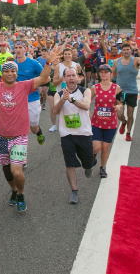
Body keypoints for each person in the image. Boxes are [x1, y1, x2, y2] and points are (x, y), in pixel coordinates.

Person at [0, 48, 58, 212]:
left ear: (16, 73)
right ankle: (13, 190)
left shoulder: (24, 86)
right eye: (7, 71)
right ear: (2, 73)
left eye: (13, 71)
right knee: (6, 170)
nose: (10, 73)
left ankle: (20, 193)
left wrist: (48, 62)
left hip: (19, 137)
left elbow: (42, 78)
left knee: (16, 171)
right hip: (0, 136)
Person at [52, 67, 93, 205]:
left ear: (77, 78)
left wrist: (71, 99)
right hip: (67, 134)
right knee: (70, 164)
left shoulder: (85, 91)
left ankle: (89, 164)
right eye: (68, 76)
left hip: (84, 133)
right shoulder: (59, 94)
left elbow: (86, 106)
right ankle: (74, 191)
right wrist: (63, 99)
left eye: (73, 75)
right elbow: (55, 111)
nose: (71, 78)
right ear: (64, 79)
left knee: (88, 162)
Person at [90, 64, 123, 179]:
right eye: (101, 72)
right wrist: (87, 113)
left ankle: (102, 167)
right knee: (97, 147)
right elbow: (87, 101)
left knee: (105, 148)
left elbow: (120, 102)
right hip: (96, 122)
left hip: (111, 124)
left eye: (106, 72)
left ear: (111, 74)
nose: (103, 74)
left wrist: (119, 107)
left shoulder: (116, 88)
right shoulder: (95, 88)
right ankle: (93, 155)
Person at [112, 42, 140, 141]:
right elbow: (111, 74)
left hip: (132, 90)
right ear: (122, 51)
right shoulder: (116, 61)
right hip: (120, 91)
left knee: (130, 114)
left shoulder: (135, 60)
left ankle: (128, 133)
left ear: (130, 50)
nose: (126, 51)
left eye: (128, 49)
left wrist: (137, 49)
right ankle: (123, 122)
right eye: (124, 50)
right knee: (119, 113)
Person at [13, 40, 47, 145]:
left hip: (32, 99)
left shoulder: (33, 63)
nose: (18, 50)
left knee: (33, 128)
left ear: (26, 49)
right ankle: (19, 154)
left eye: (20, 47)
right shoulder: (12, 64)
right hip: (16, 100)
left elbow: (46, 78)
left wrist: (34, 84)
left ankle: (39, 132)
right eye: (16, 48)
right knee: (18, 129)